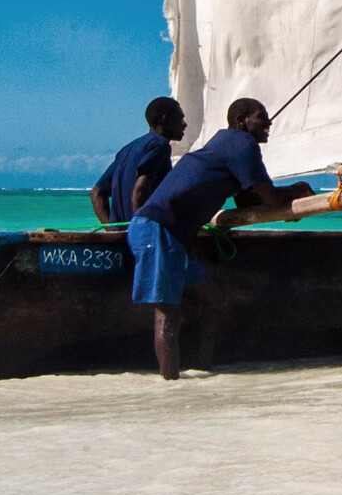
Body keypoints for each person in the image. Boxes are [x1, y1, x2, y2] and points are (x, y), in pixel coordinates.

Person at [129, 97, 314, 379]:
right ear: (241, 122)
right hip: (158, 229)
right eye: (261, 117)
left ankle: (204, 371)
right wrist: (297, 190)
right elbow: (271, 197)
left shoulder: (225, 145)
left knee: (213, 300)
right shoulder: (241, 144)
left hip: (173, 236)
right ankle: (170, 389)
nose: (269, 122)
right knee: (169, 314)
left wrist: (287, 198)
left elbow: (246, 202)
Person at [91, 97, 187, 226]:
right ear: (165, 119)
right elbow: (140, 189)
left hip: (121, 239)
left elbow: (96, 192)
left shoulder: (127, 150)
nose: (184, 124)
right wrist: (141, 230)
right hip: (141, 240)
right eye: (180, 119)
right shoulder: (160, 145)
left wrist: (110, 230)